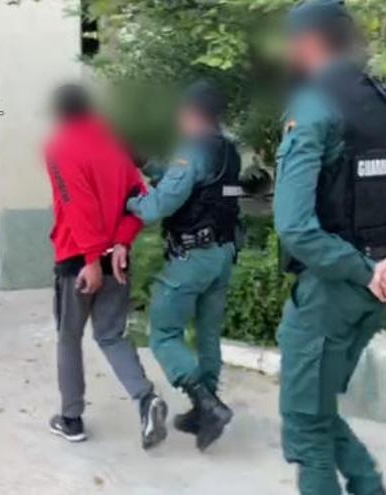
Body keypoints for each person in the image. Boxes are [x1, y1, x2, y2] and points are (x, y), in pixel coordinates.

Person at [274, 1, 386, 493]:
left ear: (307, 43)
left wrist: (367, 271)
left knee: (305, 422)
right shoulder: (385, 106)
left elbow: (294, 226)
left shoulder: (313, 107)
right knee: (317, 407)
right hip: (371, 294)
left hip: (333, 292)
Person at [44, 83, 168, 450]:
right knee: (111, 334)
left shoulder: (60, 147)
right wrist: (120, 243)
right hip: (116, 258)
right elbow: (140, 200)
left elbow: (76, 205)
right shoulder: (114, 144)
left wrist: (90, 260)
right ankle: (146, 399)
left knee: (69, 338)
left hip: (79, 262)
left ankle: (71, 419)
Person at [126, 80, 242, 451]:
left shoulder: (193, 152)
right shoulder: (228, 151)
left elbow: (160, 206)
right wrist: (146, 163)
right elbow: (194, 189)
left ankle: (208, 404)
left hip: (193, 257)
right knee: (208, 335)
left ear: (192, 113)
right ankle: (202, 409)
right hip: (222, 253)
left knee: (163, 332)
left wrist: (132, 203)